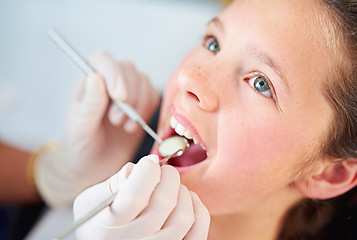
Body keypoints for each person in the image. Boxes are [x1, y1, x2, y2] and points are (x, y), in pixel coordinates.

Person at [71, 0, 357, 239]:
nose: (190, 78)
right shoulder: (127, 134)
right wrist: (60, 181)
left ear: (329, 174)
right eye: (213, 44)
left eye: (260, 84)